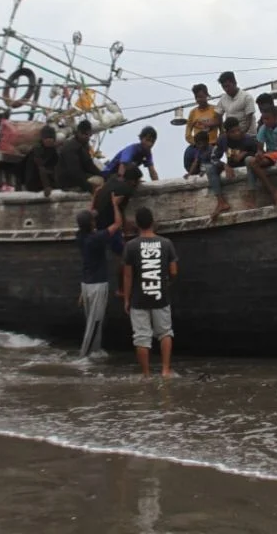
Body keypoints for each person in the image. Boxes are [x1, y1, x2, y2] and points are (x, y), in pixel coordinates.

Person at [121, 207, 179, 378]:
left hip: (139, 299)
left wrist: (126, 299)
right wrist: (167, 283)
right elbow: (174, 271)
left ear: (137, 224)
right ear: (152, 222)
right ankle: (165, 370)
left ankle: (146, 374)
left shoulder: (131, 246)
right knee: (165, 332)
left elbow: (127, 276)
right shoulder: (166, 243)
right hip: (160, 296)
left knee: (141, 337)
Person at [75, 195, 123, 358]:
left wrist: (96, 197)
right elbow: (117, 224)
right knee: (95, 321)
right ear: (91, 224)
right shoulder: (96, 238)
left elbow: (89, 216)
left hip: (86, 284)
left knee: (92, 319)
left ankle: (95, 351)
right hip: (97, 285)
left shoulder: (80, 236)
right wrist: (115, 205)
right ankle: (85, 356)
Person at [185, 130, 230, 219]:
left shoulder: (211, 149)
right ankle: (221, 203)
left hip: (213, 168)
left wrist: (224, 166)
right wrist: (189, 173)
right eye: (197, 144)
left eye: (200, 144)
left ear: (206, 142)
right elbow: (195, 162)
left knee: (210, 168)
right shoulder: (199, 151)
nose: (198, 146)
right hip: (204, 170)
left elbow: (215, 161)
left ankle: (221, 202)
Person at [54, 120, 105, 193]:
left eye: (88, 135)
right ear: (78, 132)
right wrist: (89, 187)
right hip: (67, 181)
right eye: (84, 134)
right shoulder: (71, 147)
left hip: (79, 175)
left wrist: (103, 175)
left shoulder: (84, 145)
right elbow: (74, 171)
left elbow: (89, 165)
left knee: (102, 180)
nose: (87, 137)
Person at [215, 71, 257, 136]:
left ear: (235, 83)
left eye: (228, 86)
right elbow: (218, 115)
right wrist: (222, 131)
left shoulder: (246, 97)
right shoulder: (223, 98)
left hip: (248, 135)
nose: (226, 89)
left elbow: (249, 120)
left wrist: (241, 134)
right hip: (231, 136)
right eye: (224, 87)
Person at [23, 125, 59, 194]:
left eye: (51, 138)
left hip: (47, 179)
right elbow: (41, 168)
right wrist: (46, 186)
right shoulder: (37, 149)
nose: (49, 140)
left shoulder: (53, 149)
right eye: (46, 138)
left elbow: (57, 165)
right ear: (42, 139)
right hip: (34, 181)